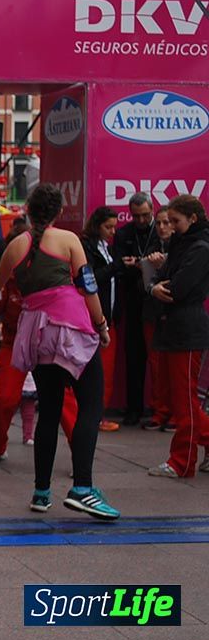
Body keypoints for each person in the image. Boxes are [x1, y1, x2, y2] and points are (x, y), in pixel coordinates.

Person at [0, 183, 120, 520]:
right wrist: (101, 325)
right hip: (71, 328)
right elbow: (88, 286)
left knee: (50, 410)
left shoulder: (16, 245)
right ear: (58, 212)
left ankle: (41, 492)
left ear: (27, 210)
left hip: (36, 333)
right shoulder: (69, 240)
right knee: (90, 406)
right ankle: (82, 488)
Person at [0, 275, 78, 464]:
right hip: (14, 340)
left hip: (49, 341)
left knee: (64, 399)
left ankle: (81, 455)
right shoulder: (11, 271)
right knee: (3, 398)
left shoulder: (61, 266)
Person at [147, 195, 209, 478]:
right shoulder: (184, 243)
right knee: (180, 398)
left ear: (192, 219)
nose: (169, 226)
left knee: (184, 399)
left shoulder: (199, 248)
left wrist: (155, 287)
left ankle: (182, 462)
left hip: (186, 329)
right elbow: (162, 278)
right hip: (176, 327)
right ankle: (183, 459)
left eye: (175, 221)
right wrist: (155, 286)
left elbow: (177, 287)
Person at [81, 206, 133, 432]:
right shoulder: (87, 247)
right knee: (96, 372)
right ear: (97, 225)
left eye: (114, 227)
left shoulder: (107, 247)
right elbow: (91, 279)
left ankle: (98, 415)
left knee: (106, 372)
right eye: (108, 227)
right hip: (94, 319)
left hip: (109, 317)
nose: (112, 231)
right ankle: (93, 415)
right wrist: (116, 266)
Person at [113, 192, 156, 426]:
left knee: (160, 359)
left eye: (145, 215)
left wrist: (139, 264)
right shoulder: (124, 234)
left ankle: (160, 410)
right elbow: (119, 266)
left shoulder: (160, 230)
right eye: (136, 216)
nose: (141, 220)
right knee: (134, 358)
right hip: (132, 301)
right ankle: (133, 409)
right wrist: (140, 266)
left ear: (152, 210)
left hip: (156, 302)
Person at [140, 208, 175, 432]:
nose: (162, 227)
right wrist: (144, 265)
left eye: (167, 222)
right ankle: (160, 410)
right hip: (152, 312)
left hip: (174, 314)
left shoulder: (184, 248)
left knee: (174, 367)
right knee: (156, 365)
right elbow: (144, 285)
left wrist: (162, 266)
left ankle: (175, 412)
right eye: (160, 223)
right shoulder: (150, 245)